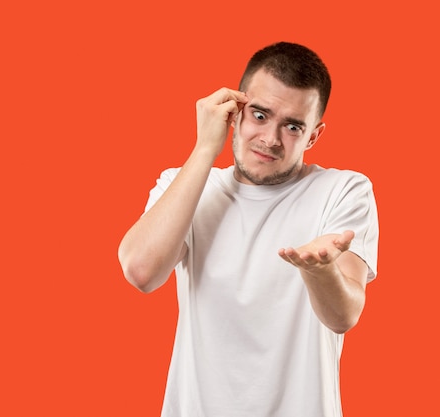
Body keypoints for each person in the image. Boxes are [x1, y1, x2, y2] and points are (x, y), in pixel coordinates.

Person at [118, 41, 379, 417]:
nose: (271, 139)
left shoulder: (342, 190)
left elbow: (344, 316)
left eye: (292, 126)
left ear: (313, 136)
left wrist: (321, 273)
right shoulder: (187, 185)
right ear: (235, 111)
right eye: (259, 115)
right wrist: (206, 147)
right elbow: (140, 272)